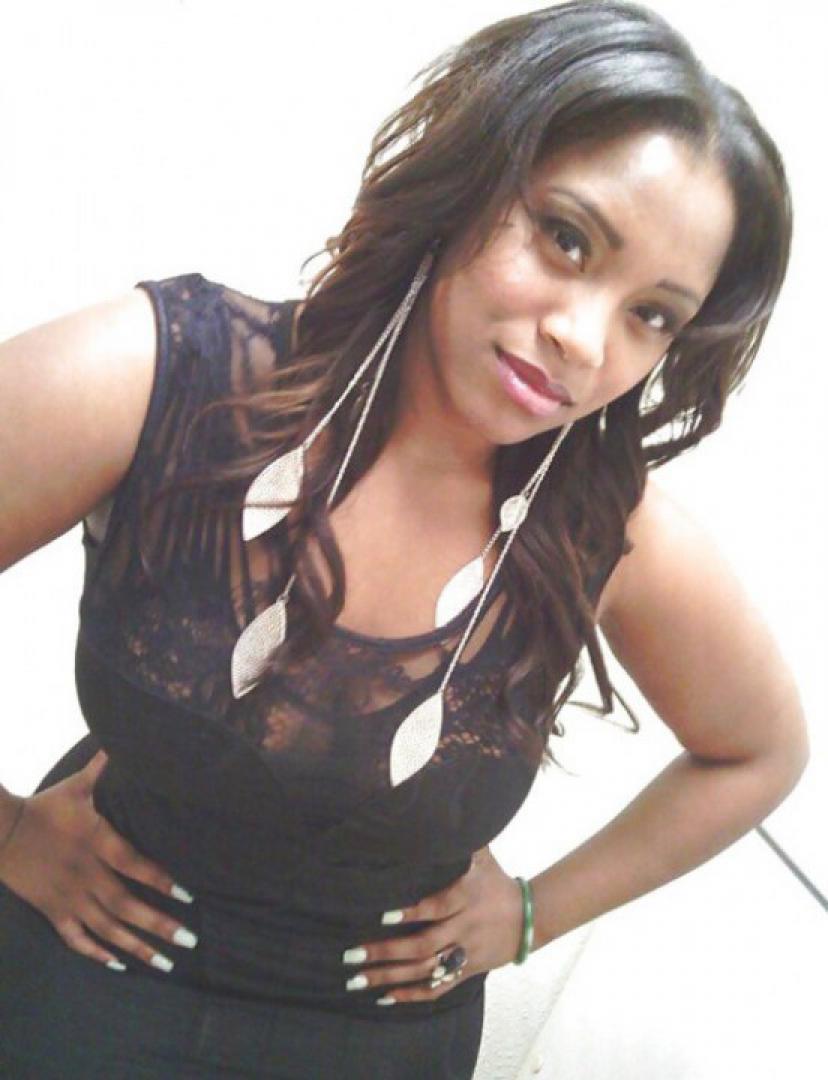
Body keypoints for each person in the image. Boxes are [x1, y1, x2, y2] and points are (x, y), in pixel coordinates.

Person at [0, 1, 809, 1076]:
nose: (583, 337)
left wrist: (533, 913)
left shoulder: (605, 535)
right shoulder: (165, 380)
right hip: (85, 973)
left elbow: (759, 752)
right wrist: (8, 833)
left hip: (380, 1038)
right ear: (468, 177)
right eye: (565, 238)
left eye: (651, 314)